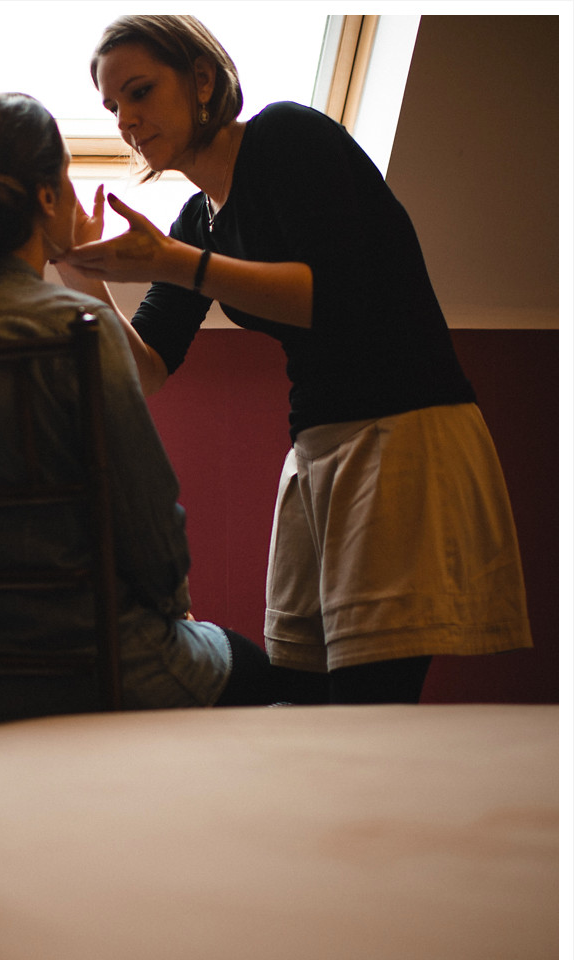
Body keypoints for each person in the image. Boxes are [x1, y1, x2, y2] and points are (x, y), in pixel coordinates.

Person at [57, 15, 532, 705]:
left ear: (201, 80)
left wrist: (174, 261)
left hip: (402, 433)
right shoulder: (197, 220)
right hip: (317, 451)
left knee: (368, 704)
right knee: (305, 699)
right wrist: (79, 270)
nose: (126, 120)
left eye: (140, 92)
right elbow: (147, 368)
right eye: (112, 108)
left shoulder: (284, 136)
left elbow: (332, 294)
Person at [0, 91, 280, 729]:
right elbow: (150, 526)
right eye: (66, 177)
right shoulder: (77, 328)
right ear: (45, 198)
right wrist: (173, 608)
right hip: (100, 666)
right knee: (261, 672)